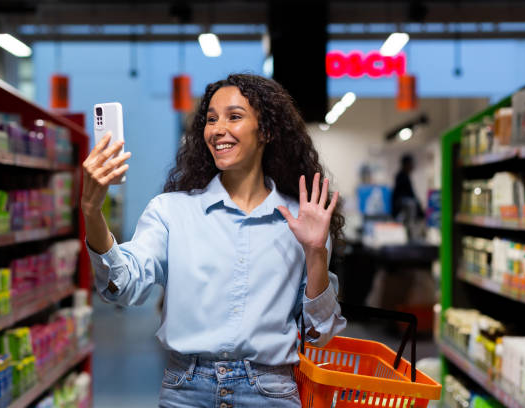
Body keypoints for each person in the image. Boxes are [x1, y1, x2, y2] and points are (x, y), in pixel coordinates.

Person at [82, 74, 346, 407]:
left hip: (271, 392)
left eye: (234, 117)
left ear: (266, 131)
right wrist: (92, 212)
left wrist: (316, 252)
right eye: (210, 119)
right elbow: (122, 286)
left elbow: (319, 333)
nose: (217, 129)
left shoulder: (302, 219)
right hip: (186, 390)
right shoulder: (171, 211)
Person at [391, 154, 424, 220]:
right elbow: (406, 193)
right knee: (411, 204)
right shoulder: (401, 176)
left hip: (403, 204)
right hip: (402, 205)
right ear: (406, 164)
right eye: (411, 164)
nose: (412, 166)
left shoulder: (405, 176)